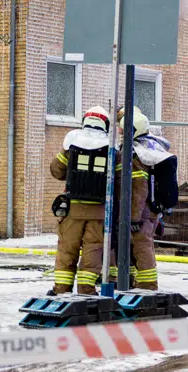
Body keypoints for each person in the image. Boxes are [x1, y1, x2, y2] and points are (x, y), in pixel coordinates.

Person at [48, 106, 112, 295]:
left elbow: (56, 170)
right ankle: (86, 291)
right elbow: (117, 180)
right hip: (99, 213)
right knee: (93, 252)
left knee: (67, 250)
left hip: (73, 211)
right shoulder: (111, 147)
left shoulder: (72, 144)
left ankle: (61, 290)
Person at [110, 107, 171, 291]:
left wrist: (133, 217)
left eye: (123, 130)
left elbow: (138, 189)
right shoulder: (151, 147)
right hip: (150, 208)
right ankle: (132, 280)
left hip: (141, 210)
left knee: (141, 245)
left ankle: (147, 285)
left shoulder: (136, 154)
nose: (121, 134)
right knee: (136, 244)